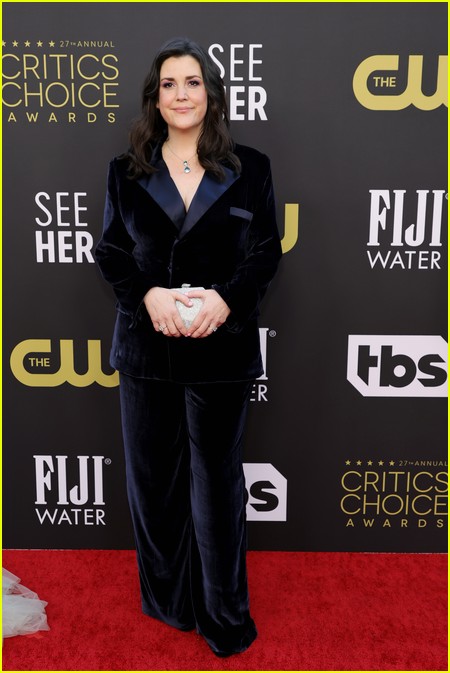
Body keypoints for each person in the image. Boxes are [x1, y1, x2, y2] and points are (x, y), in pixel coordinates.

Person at [95, 37, 282, 657]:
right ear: (155, 97)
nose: (181, 94)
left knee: (218, 487)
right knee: (154, 485)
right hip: (147, 351)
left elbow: (264, 253)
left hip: (220, 350)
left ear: (211, 93)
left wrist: (227, 300)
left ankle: (223, 614)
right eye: (169, 84)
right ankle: (169, 603)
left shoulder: (249, 166)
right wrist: (146, 296)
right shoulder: (125, 172)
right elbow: (112, 252)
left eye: (193, 82)